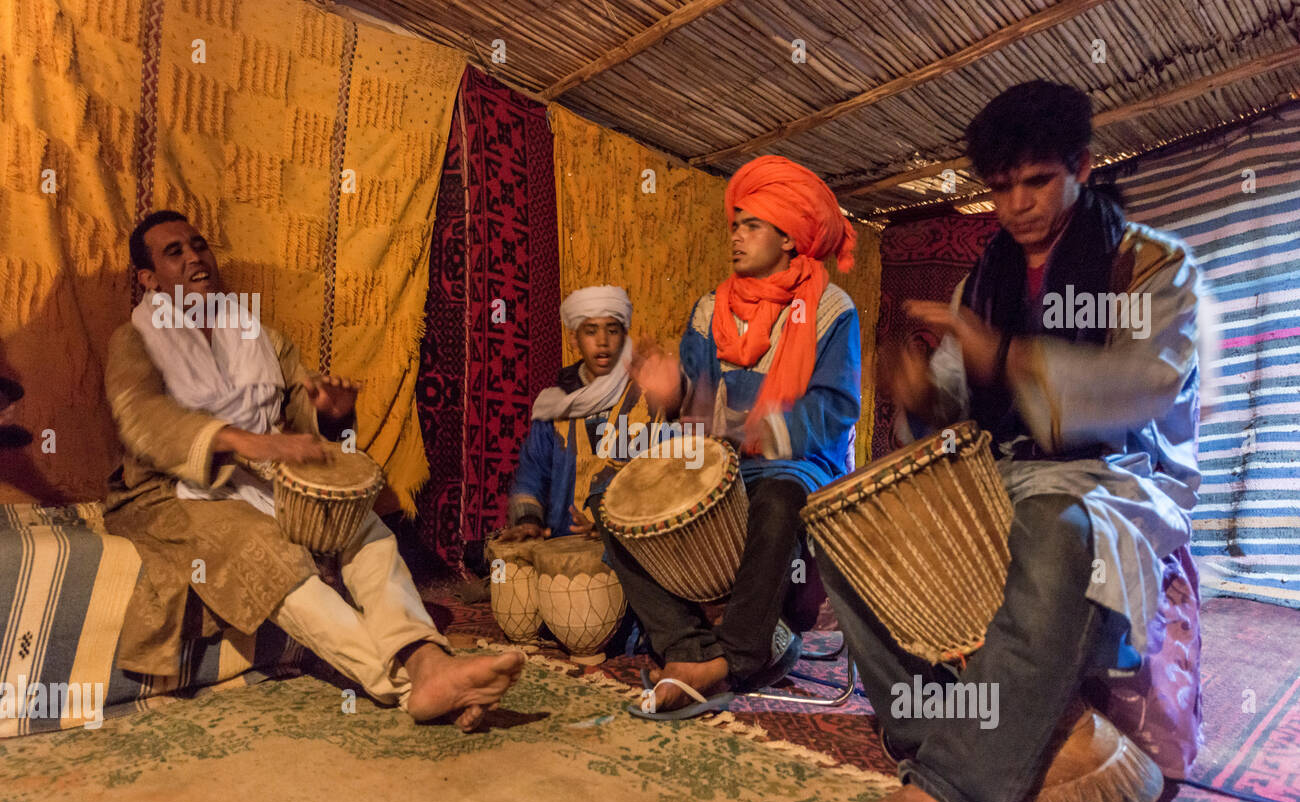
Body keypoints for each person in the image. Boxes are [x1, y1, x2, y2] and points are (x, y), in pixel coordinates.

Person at [823, 80, 1203, 802]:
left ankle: (952, 784)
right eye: (1001, 188)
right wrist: (923, 395)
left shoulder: (1151, 268)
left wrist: (1009, 358)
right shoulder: (983, 283)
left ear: (1083, 167)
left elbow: (1147, 387)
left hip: (1112, 476)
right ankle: (926, 724)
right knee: (843, 519)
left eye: (1037, 181)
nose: (1018, 205)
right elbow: (957, 415)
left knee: (1055, 531)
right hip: (1002, 473)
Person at [104, 210, 522, 730]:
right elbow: (142, 419)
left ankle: (427, 661)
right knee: (266, 549)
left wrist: (330, 411)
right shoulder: (135, 339)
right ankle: (413, 681)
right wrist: (237, 440)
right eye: (174, 252)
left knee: (362, 525)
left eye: (199, 245)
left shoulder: (259, 336)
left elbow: (300, 426)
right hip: (169, 496)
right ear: (147, 278)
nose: (194, 257)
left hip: (258, 482)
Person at [618, 154, 862, 715]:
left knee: (777, 502)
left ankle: (737, 657)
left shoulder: (830, 310)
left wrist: (750, 429)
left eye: (752, 225)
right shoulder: (710, 311)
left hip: (796, 467)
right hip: (717, 464)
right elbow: (694, 404)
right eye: (736, 224)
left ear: (790, 237)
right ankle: (689, 648)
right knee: (617, 502)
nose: (736, 236)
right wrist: (671, 392)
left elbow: (835, 411)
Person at [501, 286, 654, 543]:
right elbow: (532, 474)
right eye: (591, 331)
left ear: (624, 336)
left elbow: (659, 482)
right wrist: (529, 521)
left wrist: (609, 528)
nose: (603, 341)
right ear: (575, 339)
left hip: (629, 545)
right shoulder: (557, 406)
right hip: (563, 539)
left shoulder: (646, 402)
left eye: (612, 330)